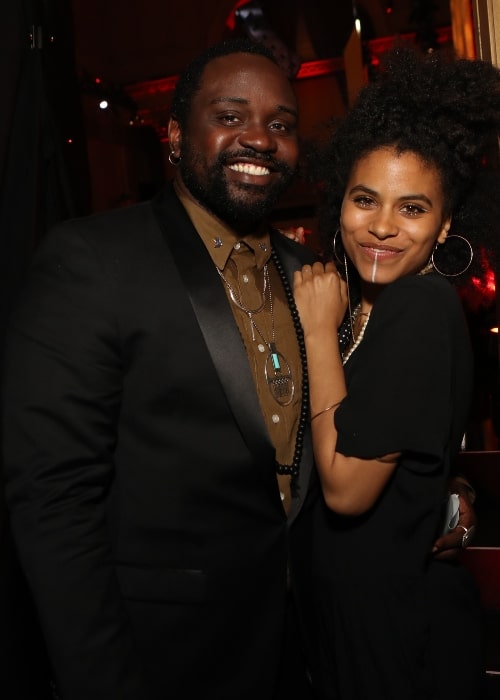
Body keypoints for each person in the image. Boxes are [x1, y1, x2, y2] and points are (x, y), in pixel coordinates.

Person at [1, 38, 475, 700]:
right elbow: (52, 499)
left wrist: (444, 497)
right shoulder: (94, 261)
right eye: (230, 115)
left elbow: (382, 418)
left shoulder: (315, 279)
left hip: (310, 648)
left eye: (281, 124)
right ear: (172, 134)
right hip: (164, 658)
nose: (258, 138)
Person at [291, 46, 500, 699]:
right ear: (339, 202)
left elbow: (349, 490)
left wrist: (318, 334)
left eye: (412, 209)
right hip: (355, 616)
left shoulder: (417, 303)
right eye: (365, 200)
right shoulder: (364, 311)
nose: (382, 227)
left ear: (443, 228)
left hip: (395, 632)